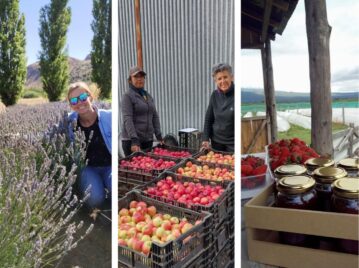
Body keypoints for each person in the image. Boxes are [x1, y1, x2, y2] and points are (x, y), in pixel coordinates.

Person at [67, 81, 112, 208]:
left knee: (118, 191)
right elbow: (49, 134)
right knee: (95, 199)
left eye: (82, 97)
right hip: (88, 168)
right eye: (74, 101)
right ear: (71, 105)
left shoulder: (109, 117)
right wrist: (19, 137)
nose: (80, 103)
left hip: (110, 166)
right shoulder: (69, 122)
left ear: (90, 96)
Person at [121, 66, 163, 156]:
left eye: (141, 77)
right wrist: (134, 140)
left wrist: (158, 135)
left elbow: (154, 116)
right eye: (136, 77)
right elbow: (127, 118)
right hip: (132, 142)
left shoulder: (147, 96)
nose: (139, 79)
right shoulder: (127, 96)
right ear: (130, 80)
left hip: (147, 140)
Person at [202, 63, 234, 152]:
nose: (222, 81)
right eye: (219, 79)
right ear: (216, 81)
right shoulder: (214, 95)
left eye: (225, 77)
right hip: (216, 142)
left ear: (232, 77)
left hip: (233, 144)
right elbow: (209, 118)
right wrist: (205, 138)